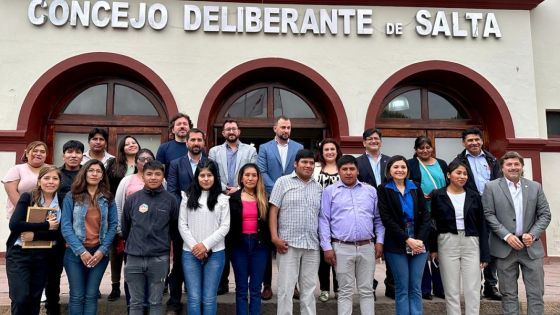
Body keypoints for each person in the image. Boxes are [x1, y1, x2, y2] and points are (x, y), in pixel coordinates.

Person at [482, 151, 551, 315]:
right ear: (502, 168)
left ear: (522, 166)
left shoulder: (535, 186)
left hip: (531, 248)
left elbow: (545, 214)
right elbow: (488, 214)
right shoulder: (491, 187)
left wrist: (532, 234)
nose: (513, 167)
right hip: (504, 248)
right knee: (508, 294)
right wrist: (507, 235)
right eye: (509, 164)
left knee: (536, 293)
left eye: (516, 164)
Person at [319, 155, 384, 315]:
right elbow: (324, 220)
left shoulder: (370, 191)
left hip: (367, 247)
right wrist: (326, 247)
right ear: (339, 171)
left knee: (367, 290)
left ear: (357, 170)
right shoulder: (329, 191)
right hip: (341, 247)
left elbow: (378, 219)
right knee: (345, 291)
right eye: (344, 169)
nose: (348, 172)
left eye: (352, 169)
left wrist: (379, 241)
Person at [430, 161, 490, 315]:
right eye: (458, 173)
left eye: (465, 173)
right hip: (447, 241)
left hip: (471, 241)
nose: (462, 176)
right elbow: (432, 222)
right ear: (449, 175)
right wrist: (433, 248)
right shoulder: (438, 195)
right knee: (451, 289)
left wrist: (484, 253)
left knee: (473, 288)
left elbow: (482, 225)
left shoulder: (474, 195)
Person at [60, 159, 118, 315]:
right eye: (91, 170)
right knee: (77, 295)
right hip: (74, 252)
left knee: (91, 295)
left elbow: (113, 225)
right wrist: (81, 251)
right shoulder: (72, 196)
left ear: (102, 176)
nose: (94, 173)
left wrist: (102, 250)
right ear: (84, 173)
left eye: (98, 171)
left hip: (99, 252)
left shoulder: (108, 197)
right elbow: (65, 225)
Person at [122, 160, 179, 315]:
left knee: (155, 302)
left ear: (163, 176)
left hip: (159, 258)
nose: (153, 177)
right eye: (149, 174)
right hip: (134, 257)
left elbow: (174, 229)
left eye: (157, 174)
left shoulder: (171, 200)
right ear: (143, 176)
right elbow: (126, 227)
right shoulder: (132, 199)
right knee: (135, 303)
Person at [269, 149, 322, 315]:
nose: (308, 166)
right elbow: (273, 211)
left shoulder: (318, 187)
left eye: (311, 163)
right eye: (304, 162)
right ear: (295, 164)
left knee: (308, 290)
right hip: (288, 245)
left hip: (312, 245)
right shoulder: (282, 182)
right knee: (286, 289)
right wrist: (274, 238)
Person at [452, 127, 502, 300]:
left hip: (491, 208)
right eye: (470, 140)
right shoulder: (459, 161)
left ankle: (490, 285)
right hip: (471, 209)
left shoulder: (492, 159)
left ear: (482, 140)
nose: (474, 143)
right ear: (463, 143)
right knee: (473, 248)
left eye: (476, 139)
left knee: (492, 246)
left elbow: (499, 182)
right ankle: (476, 287)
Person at [257, 116, 303, 300]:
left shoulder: (298, 147)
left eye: (289, 127)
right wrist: (279, 188)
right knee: (269, 244)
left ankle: (293, 286)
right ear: (275, 128)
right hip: (270, 201)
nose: (286, 130)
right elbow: (262, 171)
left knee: (291, 244)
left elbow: (299, 171)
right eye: (283, 127)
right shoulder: (264, 148)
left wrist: (288, 188)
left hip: (293, 200)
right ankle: (267, 284)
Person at [209, 119, 257, 295]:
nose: (231, 131)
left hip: (242, 197)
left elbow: (253, 170)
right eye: (227, 129)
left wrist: (239, 188)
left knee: (239, 238)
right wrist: (225, 188)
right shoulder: (214, 151)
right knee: (222, 240)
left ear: (239, 131)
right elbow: (212, 172)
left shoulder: (250, 150)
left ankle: (243, 283)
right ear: (223, 133)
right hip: (221, 197)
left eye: (234, 128)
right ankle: (222, 282)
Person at [378, 155, 431, 315]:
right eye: (396, 167)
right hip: (396, 243)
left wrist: (419, 240)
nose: (400, 170)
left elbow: (425, 215)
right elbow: (386, 218)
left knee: (415, 287)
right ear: (389, 170)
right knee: (402, 287)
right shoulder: (384, 189)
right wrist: (407, 239)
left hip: (419, 241)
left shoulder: (415, 186)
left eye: (403, 167)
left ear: (407, 170)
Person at [6, 165, 62, 315]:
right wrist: (46, 225)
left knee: (34, 298)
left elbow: (61, 233)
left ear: (59, 182)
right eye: (46, 178)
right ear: (39, 182)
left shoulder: (63, 201)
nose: (51, 182)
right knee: (20, 298)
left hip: (44, 256)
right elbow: (15, 224)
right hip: (20, 254)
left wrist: (35, 235)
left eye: (55, 178)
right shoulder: (28, 197)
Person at [179, 160, 230, 315]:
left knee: (209, 297)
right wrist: (196, 247)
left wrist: (205, 246)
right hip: (190, 253)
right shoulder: (187, 197)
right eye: (202, 175)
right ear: (197, 177)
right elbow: (182, 224)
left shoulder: (222, 199)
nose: (206, 179)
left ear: (215, 177)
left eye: (209, 175)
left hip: (216, 254)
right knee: (193, 297)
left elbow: (225, 227)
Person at [166, 128, 208, 313]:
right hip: (181, 222)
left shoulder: (210, 163)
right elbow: (172, 192)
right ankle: (174, 301)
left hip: (206, 221)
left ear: (204, 143)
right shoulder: (176, 164)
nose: (196, 143)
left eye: (199, 140)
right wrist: (186, 210)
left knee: (203, 260)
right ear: (187, 143)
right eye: (193, 140)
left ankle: (197, 300)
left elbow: (213, 191)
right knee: (180, 262)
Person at [45, 140, 84, 315]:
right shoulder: (56, 174)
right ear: (63, 155)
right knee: (53, 270)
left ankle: (83, 299)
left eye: (77, 152)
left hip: (81, 229)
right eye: (70, 152)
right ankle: (52, 306)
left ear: (83, 155)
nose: (73, 155)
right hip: (56, 228)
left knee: (81, 267)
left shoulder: (87, 173)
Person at [114, 148, 157, 310]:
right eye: (142, 159)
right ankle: (132, 308)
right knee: (133, 275)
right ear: (136, 162)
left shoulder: (160, 180)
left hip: (154, 238)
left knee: (152, 276)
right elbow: (118, 205)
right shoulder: (127, 181)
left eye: (149, 158)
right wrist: (120, 229)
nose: (145, 161)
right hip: (131, 236)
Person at [226, 163, 270, 315]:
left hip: (260, 247)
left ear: (258, 178)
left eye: (254, 175)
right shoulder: (232, 199)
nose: (250, 178)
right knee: (241, 289)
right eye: (247, 175)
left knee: (256, 289)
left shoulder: (265, 198)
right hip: (239, 246)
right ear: (241, 177)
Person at [407, 136, 446, 300]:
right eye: (421, 148)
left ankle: (440, 288)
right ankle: (424, 289)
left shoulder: (442, 164)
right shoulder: (410, 164)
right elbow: (406, 182)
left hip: (440, 213)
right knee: (421, 250)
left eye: (427, 147)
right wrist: (418, 193)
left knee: (440, 252)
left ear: (432, 148)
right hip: (421, 213)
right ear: (416, 149)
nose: (425, 150)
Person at [355, 128, 392, 299]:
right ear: (364, 143)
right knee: (368, 249)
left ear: (381, 141)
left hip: (389, 209)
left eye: (376, 138)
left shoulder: (390, 161)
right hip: (366, 210)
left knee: (391, 247)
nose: (373, 141)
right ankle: (369, 285)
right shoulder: (357, 162)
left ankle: (392, 284)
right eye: (369, 139)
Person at [106, 135, 141, 301]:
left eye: (133, 143)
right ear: (122, 148)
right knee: (116, 250)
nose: (131, 145)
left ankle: (130, 283)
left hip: (138, 214)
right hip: (116, 209)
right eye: (127, 144)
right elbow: (106, 187)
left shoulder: (144, 163)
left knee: (131, 253)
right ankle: (114, 286)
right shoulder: (113, 165)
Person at [312, 138, 342, 302]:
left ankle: (339, 289)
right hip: (320, 217)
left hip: (340, 218)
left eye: (332, 149)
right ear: (322, 153)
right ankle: (324, 289)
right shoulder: (316, 168)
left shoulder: (344, 167)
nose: (330, 152)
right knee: (324, 254)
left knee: (339, 254)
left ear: (337, 151)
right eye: (326, 150)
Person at [3, 140, 48, 219]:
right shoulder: (17, 169)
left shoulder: (51, 170)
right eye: (35, 151)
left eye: (42, 152)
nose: (38, 154)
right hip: (20, 215)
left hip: (45, 214)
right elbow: (12, 193)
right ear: (27, 153)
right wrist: (27, 214)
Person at [156, 113, 193, 178]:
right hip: (171, 187)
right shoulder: (163, 148)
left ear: (190, 128)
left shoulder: (196, 147)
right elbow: (159, 173)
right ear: (173, 130)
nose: (182, 126)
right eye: (178, 124)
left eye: (185, 124)